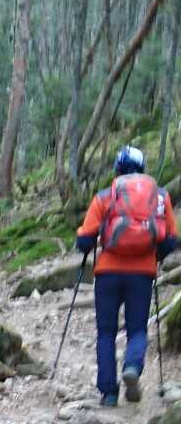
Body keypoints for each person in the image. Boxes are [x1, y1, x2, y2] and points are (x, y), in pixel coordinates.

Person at [76, 145, 178, 405]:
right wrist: (154, 256)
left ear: (117, 169)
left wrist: (87, 241)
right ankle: (132, 366)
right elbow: (171, 239)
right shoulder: (160, 197)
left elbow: (85, 240)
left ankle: (109, 393)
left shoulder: (105, 196)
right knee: (137, 329)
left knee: (106, 332)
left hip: (107, 274)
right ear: (143, 168)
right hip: (142, 274)